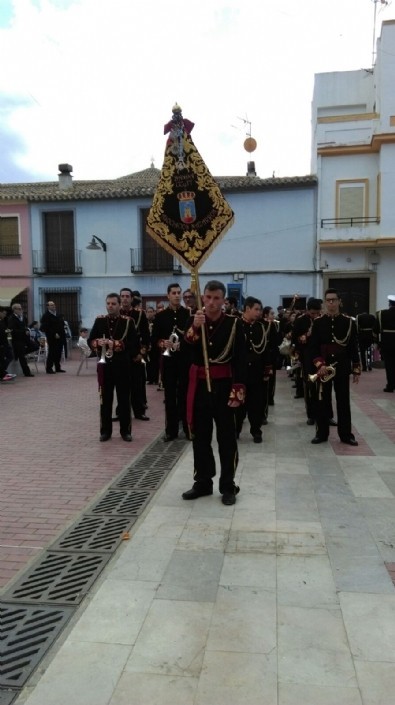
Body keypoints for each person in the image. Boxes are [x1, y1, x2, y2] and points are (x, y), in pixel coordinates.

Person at [182, 280, 247, 505]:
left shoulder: (234, 324)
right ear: (203, 298)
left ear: (224, 300)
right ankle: (202, 482)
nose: (211, 303)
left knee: (226, 438)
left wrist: (237, 390)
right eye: (208, 298)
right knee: (200, 437)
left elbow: (240, 359)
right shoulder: (193, 320)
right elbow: (186, 350)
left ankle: (228, 485)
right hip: (199, 387)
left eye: (216, 298)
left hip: (224, 387)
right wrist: (195, 328)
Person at [309, 288, 361, 446]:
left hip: (342, 365)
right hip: (323, 367)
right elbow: (313, 347)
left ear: (339, 301)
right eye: (328, 300)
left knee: (343, 400)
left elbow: (352, 346)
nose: (331, 303)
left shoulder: (348, 322)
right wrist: (320, 364)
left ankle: (346, 434)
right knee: (322, 401)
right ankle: (321, 433)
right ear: (325, 302)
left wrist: (356, 368)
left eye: (334, 300)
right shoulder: (318, 323)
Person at [87, 293, 140, 442]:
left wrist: (117, 344)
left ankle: (125, 431)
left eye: (113, 304)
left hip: (122, 366)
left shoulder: (128, 322)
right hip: (105, 367)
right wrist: (98, 343)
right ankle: (105, 431)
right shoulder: (99, 321)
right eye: (108, 303)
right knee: (105, 400)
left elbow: (134, 345)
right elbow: (91, 340)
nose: (110, 306)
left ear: (119, 305)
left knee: (124, 400)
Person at [151, 282, 191, 441]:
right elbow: (154, 339)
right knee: (169, 396)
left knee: (185, 395)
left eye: (178, 292)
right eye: (173, 293)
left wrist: (184, 344)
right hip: (168, 361)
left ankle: (188, 429)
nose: (177, 295)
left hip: (184, 361)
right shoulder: (160, 316)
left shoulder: (188, 314)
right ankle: (171, 431)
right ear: (168, 295)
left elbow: (192, 337)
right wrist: (163, 343)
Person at [236, 296, 273, 443]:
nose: (259, 313)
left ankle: (256, 430)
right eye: (256, 309)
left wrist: (267, 369)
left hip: (256, 371)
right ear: (247, 309)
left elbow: (265, 350)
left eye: (260, 309)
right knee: (238, 403)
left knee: (256, 403)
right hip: (241, 370)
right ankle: (236, 429)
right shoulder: (237, 325)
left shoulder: (261, 327)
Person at [120, 288, 150, 420]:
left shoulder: (139, 314)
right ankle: (121, 412)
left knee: (137, 385)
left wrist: (141, 353)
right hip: (120, 354)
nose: (125, 298)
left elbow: (146, 335)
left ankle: (139, 411)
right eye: (123, 296)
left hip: (136, 353)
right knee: (121, 385)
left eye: (127, 296)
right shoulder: (116, 312)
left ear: (132, 299)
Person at [7, 303, 35, 377]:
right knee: (22, 357)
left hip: (24, 339)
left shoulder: (22, 318)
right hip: (17, 340)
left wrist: (27, 330)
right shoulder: (11, 318)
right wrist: (23, 331)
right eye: (19, 309)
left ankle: (19, 354)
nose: (21, 310)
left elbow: (24, 327)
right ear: (14, 310)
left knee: (35, 346)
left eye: (21, 308)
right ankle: (27, 372)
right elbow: (12, 330)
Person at [374, 294, 395, 392]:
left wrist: (377, 343)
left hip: (387, 343)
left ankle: (390, 385)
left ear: (389, 304)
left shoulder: (381, 314)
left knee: (389, 365)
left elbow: (376, 330)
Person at [40, 301, 66, 374]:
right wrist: (54, 333)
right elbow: (45, 327)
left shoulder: (58, 314)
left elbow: (62, 324)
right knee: (52, 352)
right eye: (51, 305)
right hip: (52, 337)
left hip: (60, 336)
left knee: (59, 352)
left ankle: (58, 367)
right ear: (47, 307)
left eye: (54, 305)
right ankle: (49, 368)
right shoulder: (46, 316)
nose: (53, 306)